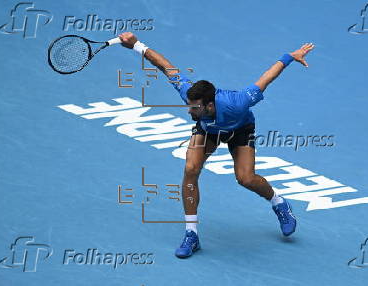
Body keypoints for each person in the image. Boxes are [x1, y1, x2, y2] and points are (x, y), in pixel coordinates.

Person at [118, 32, 315, 258]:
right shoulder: (190, 97)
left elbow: (266, 79)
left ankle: (279, 203)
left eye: (194, 108)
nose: (188, 110)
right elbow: (166, 67)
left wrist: (290, 56)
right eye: (189, 106)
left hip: (239, 130)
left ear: (210, 105)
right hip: (209, 130)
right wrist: (136, 45)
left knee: (245, 179)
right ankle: (191, 235)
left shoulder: (239, 102)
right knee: (190, 169)